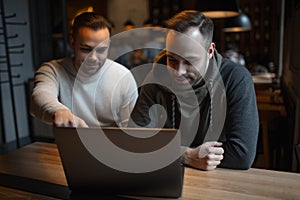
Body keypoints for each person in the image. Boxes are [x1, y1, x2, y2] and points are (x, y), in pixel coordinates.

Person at [129, 10, 259, 170]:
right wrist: (186, 155)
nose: (179, 71)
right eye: (172, 59)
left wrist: (165, 152)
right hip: (168, 175)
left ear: (210, 51)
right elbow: (134, 141)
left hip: (219, 180)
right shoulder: (156, 76)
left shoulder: (236, 79)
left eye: (189, 61)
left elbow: (242, 155)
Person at [31, 12, 138, 127]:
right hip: (71, 144)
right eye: (85, 49)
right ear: (72, 43)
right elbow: (40, 96)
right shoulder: (53, 70)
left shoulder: (123, 77)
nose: (93, 58)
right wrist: (59, 111)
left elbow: (131, 129)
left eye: (101, 50)